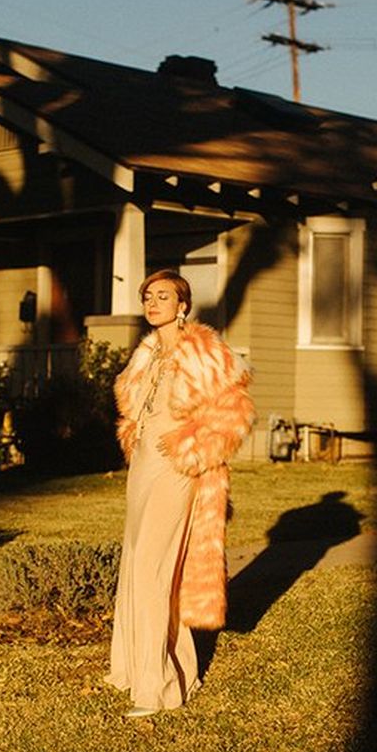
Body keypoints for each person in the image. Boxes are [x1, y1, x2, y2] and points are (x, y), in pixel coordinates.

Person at [105, 269, 255, 717]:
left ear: (183, 305)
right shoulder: (148, 354)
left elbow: (236, 412)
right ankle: (132, 668)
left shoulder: (205, 350)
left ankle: (158, 687)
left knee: (154, 567)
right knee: (136, 564)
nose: (153, 303)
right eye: (148, 296)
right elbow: (135, 409)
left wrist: (192, 448)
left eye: (163, 296)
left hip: (177, 468)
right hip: (144, 467)